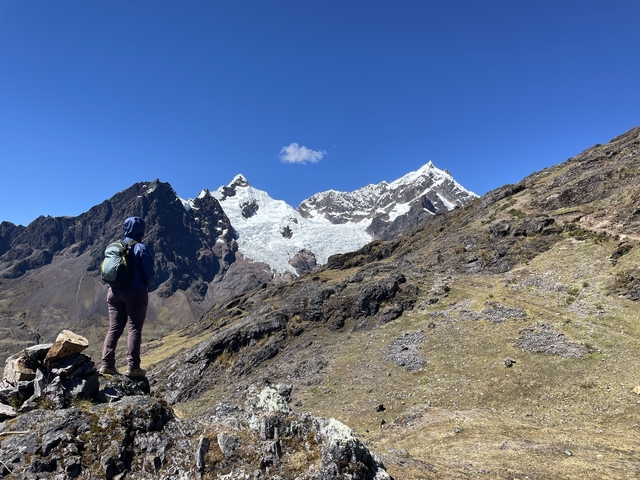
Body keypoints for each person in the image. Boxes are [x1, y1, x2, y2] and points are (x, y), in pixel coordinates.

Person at [99, 216, 155, 377]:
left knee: (114, 328)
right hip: (135, 292)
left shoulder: (115, 246)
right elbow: (149, 273)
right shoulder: (141, 248)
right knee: (134, 329)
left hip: (114, 292)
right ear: (141, 230)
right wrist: (146, 287)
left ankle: (106, 365)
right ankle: (133, 367)